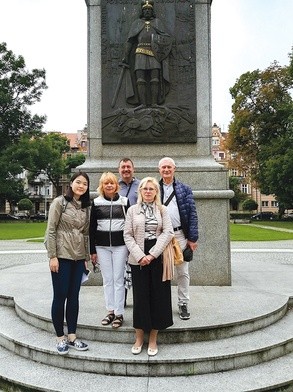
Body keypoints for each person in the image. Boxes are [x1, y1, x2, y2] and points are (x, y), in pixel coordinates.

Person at [124, 177, 174, 356]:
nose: (147, 191)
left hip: (158, 256)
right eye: (144, 188)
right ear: (140, 191)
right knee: (140, 297)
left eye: (151, 189)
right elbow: (127, 235)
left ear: (156, 192)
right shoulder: (132, 210)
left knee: (158, 297)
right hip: (138, 257)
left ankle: (153, 338)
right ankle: (139, 337)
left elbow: (168, 232)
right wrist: (140, 256)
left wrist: (152, 254)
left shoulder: (162, 210)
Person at [46, 172, 91, 355]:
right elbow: (51, 230)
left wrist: (87, 258)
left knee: (74, 297)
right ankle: (60, 337)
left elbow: (86, 234)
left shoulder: (87, 207)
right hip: (62, 256)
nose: (81, 186)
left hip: (78, 257)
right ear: (71, 184)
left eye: (85, 184)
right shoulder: (59, 203)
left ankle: (72, 335)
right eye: (78, 182)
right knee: (60, 295)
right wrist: (52, 256)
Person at [158, 157, 198, 320]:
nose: (166, 170)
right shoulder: (153, 187)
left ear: (174, 169)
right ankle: (162, 303)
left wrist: (193, 238)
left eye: (169, 167)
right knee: (161, 271)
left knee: (182, 272)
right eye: (163, 167)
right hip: (159, 236)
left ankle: (183, 303)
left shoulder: (184, 189)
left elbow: (192, 213)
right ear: (159, 170)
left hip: (180, 235)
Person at [89, 172, 129, 328]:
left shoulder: (124, 201)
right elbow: (92, 228)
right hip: (102, 246)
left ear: (116, 185)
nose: (109, 186)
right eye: (106, 183)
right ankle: (110, 311)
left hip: (120, 246)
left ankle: (119, 313)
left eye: (112, 183)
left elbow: (129, 225)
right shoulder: (96, 202)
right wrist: (92, 250)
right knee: (107, 280)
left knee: (119, 279)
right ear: (102, 186)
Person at [121, 0, 172, 106]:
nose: (147, 11)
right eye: (145, 10)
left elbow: (166, 38)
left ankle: (154, 103)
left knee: (155, 78)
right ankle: (143, 104)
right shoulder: (137, 23)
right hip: (140, 52)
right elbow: (130, 40)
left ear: (152, 11)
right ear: (142, 11)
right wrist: (126, 55)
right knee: (140, 79)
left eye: (149, 10)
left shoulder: (157, 22)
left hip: (155, 52)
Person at [118, 157, 140, 306]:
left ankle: (139, 299)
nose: (126, 169)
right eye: (123, 167)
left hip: (136, 232)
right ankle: (122, 300)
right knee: (121, 268)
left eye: (128, 167)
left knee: (136, 266)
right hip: (119, 232)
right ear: (119, 170)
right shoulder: (114, 186)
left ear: (133, 169)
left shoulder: (141, 185)